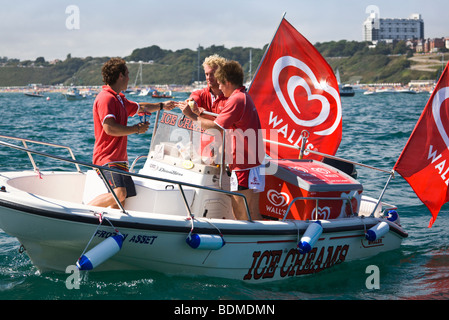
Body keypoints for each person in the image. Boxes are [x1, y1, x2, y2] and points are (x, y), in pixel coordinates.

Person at [88, 57, 175, 209]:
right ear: (120, 76)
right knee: (119, 193)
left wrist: (162, 106)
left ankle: (112, 231)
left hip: (120, 159)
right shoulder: (106, 98)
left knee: (121, 200)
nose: (129, 78)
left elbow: (141, 107)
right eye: (127, 74)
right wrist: (136, 129)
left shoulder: (119, 99)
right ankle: (81, 211)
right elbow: (110, 128)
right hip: (107, 157)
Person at [190, 60, 265, 221]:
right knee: (253, 212)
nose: (221, 88)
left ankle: (244, 243)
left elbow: (215, 127)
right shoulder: (244, 96)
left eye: (221, 84)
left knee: (240, 213)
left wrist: (192, 116)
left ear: (228, 82)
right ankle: (256, 243)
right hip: (254, 162)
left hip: (243, 164)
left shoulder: (236, 99)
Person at [177, 54, 227, 120]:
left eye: (212, 74)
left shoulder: (232, 97)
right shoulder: (200, 94)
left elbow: (223, 125)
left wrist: (202, 114)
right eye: (207, 74)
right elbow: (193, 99)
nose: (209, 77)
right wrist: (191, 104)